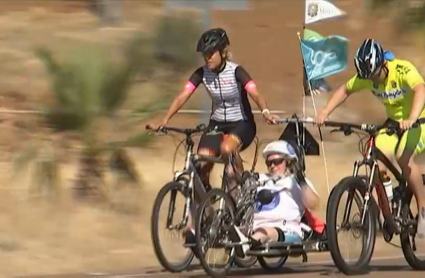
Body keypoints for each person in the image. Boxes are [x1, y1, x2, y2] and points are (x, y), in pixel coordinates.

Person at [314, 38, 425, 239]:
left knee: (403, 157)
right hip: (394, 123)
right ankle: (388, 207)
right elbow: (345, 90)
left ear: (383, 63)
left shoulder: (402, 69)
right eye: (368, 77)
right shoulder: (366, 76)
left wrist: (411, 118)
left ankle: (424, 210)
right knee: (374, 155)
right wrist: (325, 112)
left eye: (375, 75)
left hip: (419, 121)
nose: (372, 80)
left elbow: (420, 89)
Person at [149, 27, 278, 198]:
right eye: (204, 54)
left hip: (242, 123)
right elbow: (183, 96)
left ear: (223, 52)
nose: (207, 58)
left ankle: (241, 183)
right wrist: (165, 119)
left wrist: (266, 112)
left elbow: (255, 93)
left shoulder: (236, 71)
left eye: (211, 53)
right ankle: (207, 206)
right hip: (217, 124)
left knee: (226, 149)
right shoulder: (202, 73)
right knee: (202, 161)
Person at [228, 140, 325, 257]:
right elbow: (239, 197)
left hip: (286, 229)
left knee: (265, 232)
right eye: (269, 163)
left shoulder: (295, 181)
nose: (272, 166)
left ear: (288, 162)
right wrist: (234, 177)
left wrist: (301, 180)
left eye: (277, 161)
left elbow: (314, 205)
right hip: (253, 227)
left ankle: (245, 243)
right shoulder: (261, 179)